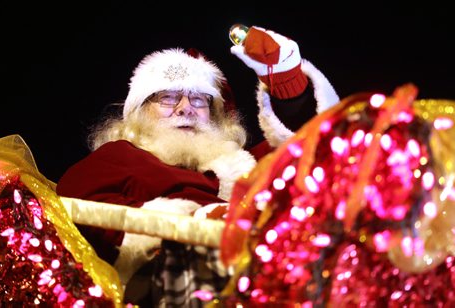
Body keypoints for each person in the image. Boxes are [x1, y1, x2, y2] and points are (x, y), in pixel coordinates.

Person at [56, 25, 339, 307]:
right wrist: (192, 221)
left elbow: (305, 152)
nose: (185, 108)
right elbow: (76, 202)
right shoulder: (121, 156)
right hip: (169, 275)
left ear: (215, 118)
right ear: (140, 112)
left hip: (264, 273)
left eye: (198, 100)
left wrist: (289, 86)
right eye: (168, 97)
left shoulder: (241, 165)